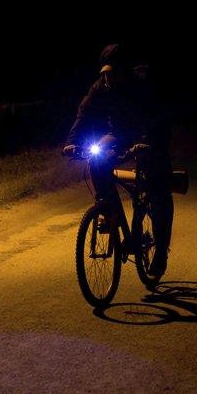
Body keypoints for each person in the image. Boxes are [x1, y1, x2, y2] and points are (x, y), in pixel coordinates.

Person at [62, 43, 173, 278]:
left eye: (113, 72)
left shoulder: (142, 87)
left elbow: (157, 118)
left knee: (156, 187)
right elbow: (84, 113)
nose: (108, 77)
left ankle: (161, 251)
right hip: (119, 134)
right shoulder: (100, 86)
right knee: (97, 161)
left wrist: (146, 140)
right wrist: (71, 142)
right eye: (105, 73)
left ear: (125, 71)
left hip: (149, 135)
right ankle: (107, 210)